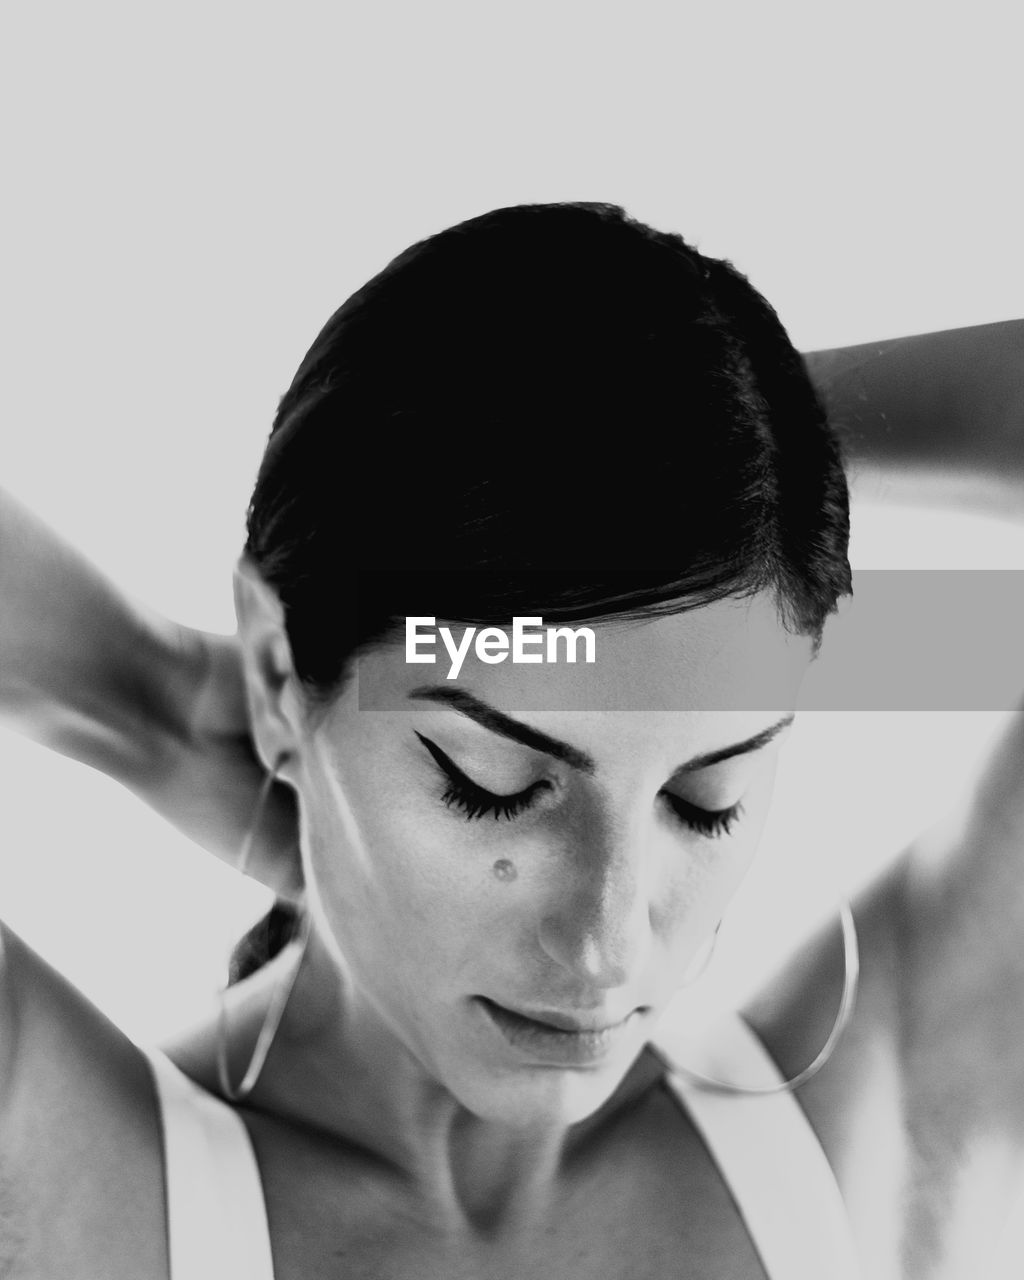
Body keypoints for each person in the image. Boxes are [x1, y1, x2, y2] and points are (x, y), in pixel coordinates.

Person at [0, 201, 1022, 1279]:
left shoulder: (871, 1127)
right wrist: (141, 698)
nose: (604, 945)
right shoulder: (75, 1184)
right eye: (490, 784)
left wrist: (729, 427)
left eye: (706, 796)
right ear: (271, 669)